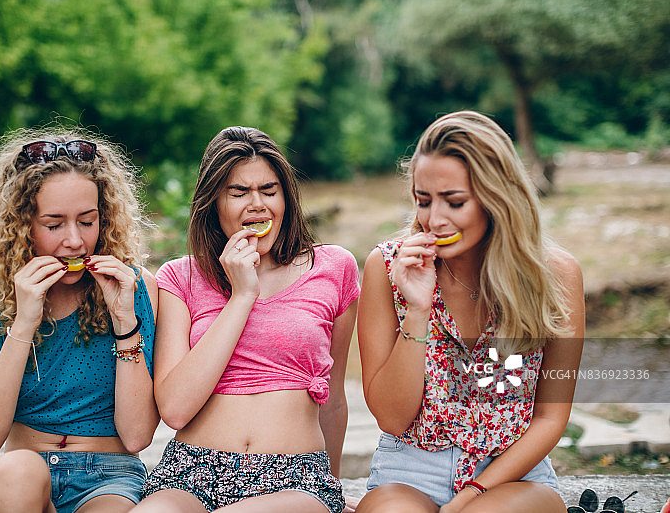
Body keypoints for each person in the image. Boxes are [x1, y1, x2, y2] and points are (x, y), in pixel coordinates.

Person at [355, 111, 585, 513]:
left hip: (511, 471)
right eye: (423, 200)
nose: (435, 219)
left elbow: (550, 417)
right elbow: (392, 419)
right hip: (410, 467)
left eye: (455, 202)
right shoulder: (387, 268)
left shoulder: (555, 275)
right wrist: (417, 308)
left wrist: (472, 494)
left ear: (497, 198)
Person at [131, 126, 360, 513]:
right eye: (238, 193)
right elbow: (174, 408)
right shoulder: (179, 277)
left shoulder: (333, 267)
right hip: (190, 473)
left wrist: (331, 493)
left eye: (269, 191)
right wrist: (242, 295)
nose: (258, 205)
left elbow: (333, 398)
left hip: (296, 474)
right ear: (213, 203)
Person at [0, 126, 160, 512]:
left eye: (87, 221)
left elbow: (137, 437)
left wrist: (124, 320)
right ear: (21, 225)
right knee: (18, 474)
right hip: (21, 474)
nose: (75, 242)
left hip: (110, 477)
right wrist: (24, 323)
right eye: (53, 224)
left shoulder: (135, 288)